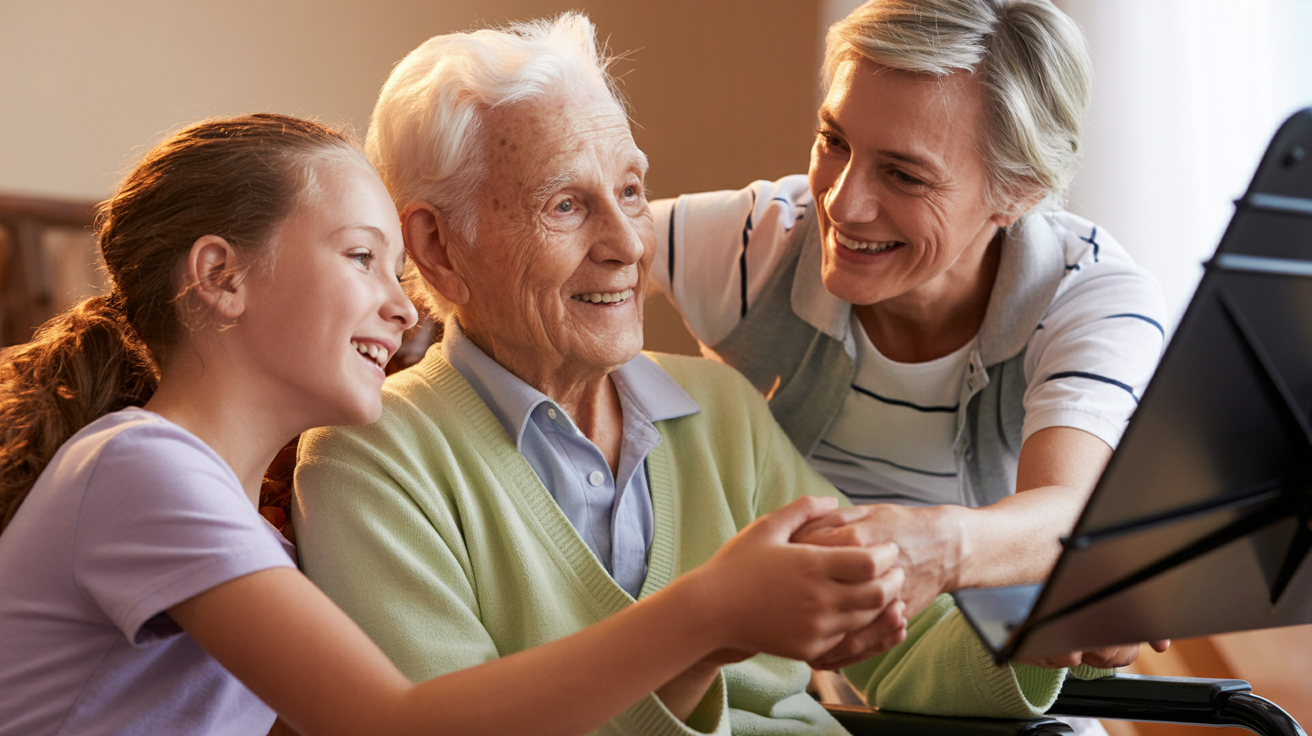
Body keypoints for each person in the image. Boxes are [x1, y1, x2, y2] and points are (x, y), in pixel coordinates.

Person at [292, 14, 1128, 736]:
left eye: (631, 189)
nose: (630, 243)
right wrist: (706, 628)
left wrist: (1044, 636)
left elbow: (904, 653)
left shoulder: (720, 408)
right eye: (566, 205)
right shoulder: (369, 461)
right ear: (437, 246)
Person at [0, 114, 909, 736]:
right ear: (220, 278)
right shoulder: (144, 467)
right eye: (362, 257)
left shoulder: (236, 520)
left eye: (399, 270)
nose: (405, 308)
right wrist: (708, 609)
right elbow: (393, 723)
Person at [652, 0, 1169, 669]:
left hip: (990, 682)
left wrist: (940, 547)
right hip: (780, 686)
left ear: (1017, 191)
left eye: (902, 174)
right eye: (834, 141)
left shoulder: (1089, 295)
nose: (841, 203)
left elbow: (1070, 513)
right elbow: (562, 255)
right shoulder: (760, 245)